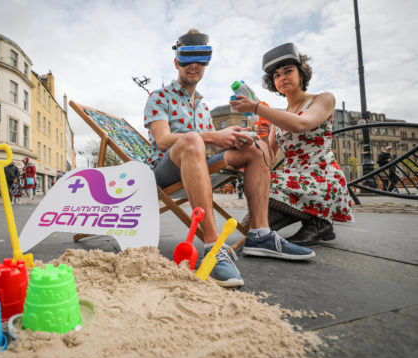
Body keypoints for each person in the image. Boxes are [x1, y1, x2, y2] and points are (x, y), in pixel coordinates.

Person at [144, 31, 314, 288]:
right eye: (187, 58)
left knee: (256, 146)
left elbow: (209, 148)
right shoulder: (159, 97)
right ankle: (213, 246)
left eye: (201, 59)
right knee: (191, 139)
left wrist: (236, 136)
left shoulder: (201, 105)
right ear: (176, 62)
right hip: (164, 170)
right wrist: (213, 135)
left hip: (197, 164)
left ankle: (260, 234)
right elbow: (163, 140)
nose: (194, 65)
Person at [230, 42, 354, 246]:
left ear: (301, 74)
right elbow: (268, 156)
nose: (282, 77)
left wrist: (256, 107)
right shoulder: (280, 116)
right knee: (248, 226)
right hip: (291, 181)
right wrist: (261, 137)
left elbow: (302, 124)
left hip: (321, 178)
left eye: (288, 71)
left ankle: (318, 221)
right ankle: (310, 215)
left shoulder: (323, 99)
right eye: (276, 75)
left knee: (261, 186)